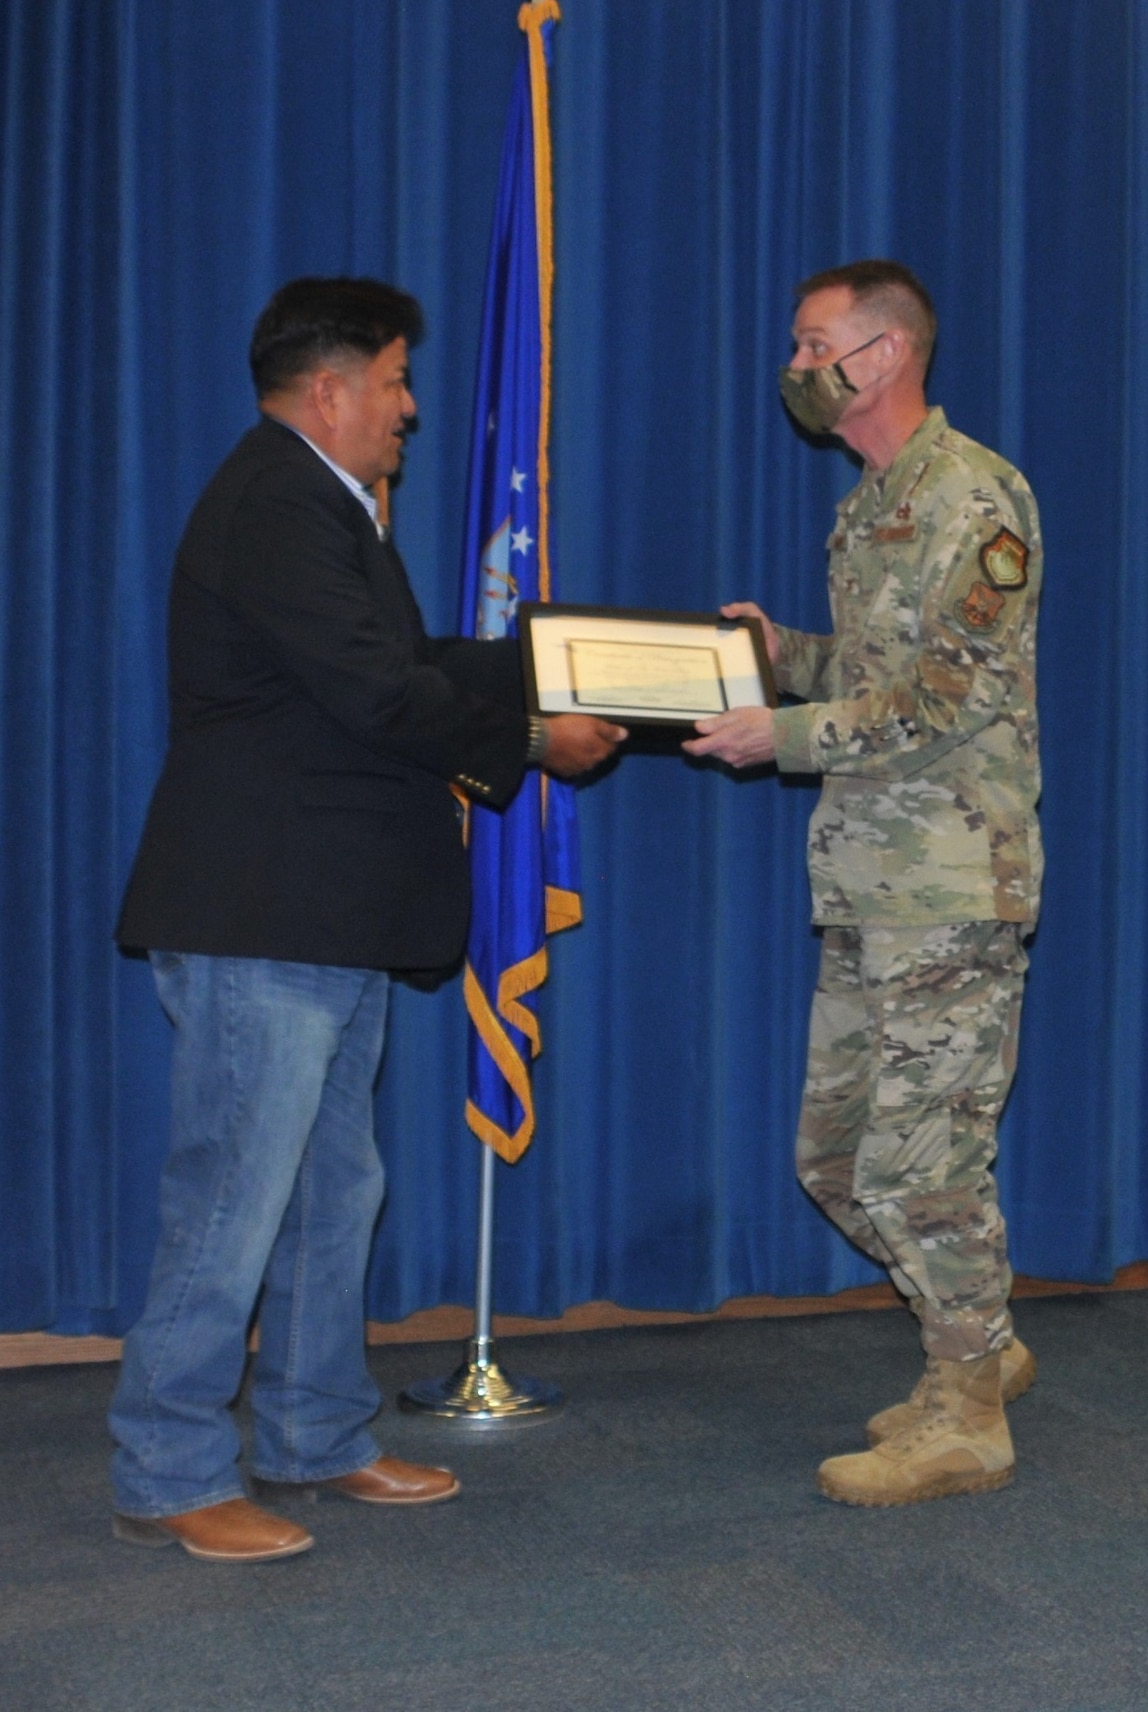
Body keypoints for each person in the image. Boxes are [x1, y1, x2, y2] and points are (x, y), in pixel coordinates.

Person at [110, 277, 624, 1561]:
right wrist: (531, 729)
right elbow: (373, 694)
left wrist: (569, 664)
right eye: (394, 379)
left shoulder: (322, 505)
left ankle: (314, 1432)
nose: (408, 406)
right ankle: (169, 1466)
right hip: (262, 912)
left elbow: (410, 664)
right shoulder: (280, 499)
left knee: (335, 1190)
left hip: (322, 913)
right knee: (231, 1197)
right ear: (328, 389)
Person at [684, 260, 1042, 1507]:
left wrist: (775, 732)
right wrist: (783, 656)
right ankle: (981, 1343)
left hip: (949, 879)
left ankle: (966, 1416)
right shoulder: (873, 502)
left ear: (883, 354)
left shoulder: (973, 497)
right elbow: (876, 669)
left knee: (921, 1165)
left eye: (814, 341)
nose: (796, 364)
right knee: (833, 1156)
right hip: (866, 879)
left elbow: (949, 696)